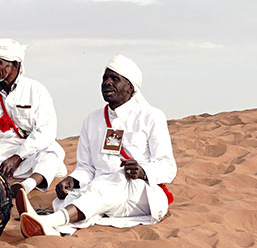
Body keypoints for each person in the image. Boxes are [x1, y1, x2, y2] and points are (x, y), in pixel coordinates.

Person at [20, 55, 176, 237]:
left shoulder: (151, 116)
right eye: (105, 78)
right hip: (100, 190)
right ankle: (51, 229)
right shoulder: (92, 120)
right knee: (79, 194)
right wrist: (72, 180)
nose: (107, 83)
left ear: (130, 87)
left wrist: (142, 171)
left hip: (138, 192)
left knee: (113, 182)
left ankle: (47, 221)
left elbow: (168, 167)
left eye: (114, 79)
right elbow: (86, 168)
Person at [0, 38, 67, 214]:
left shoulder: (36, 90)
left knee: (54, 150)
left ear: (14, 64)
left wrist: (18, 156)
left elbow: (46, 131)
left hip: (26, 153)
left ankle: (25, 187)